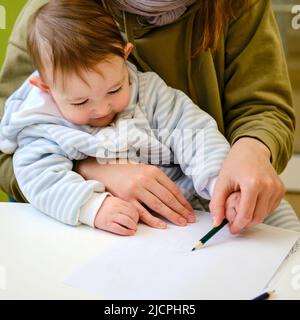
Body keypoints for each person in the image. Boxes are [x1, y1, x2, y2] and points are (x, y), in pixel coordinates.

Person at [0, 0, 299, 234]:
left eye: (115, 88)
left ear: (125, 56)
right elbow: (33, 171)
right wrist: (91, 202)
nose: (102, 109)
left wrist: (220, 179)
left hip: (202, 205)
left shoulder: (148, 89)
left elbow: (193, 130)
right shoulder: (43, 121)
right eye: (80, 101)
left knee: (280, 229)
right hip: (127, 226)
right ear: (45, 87)